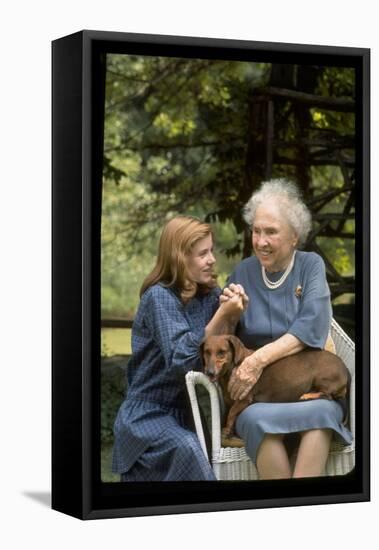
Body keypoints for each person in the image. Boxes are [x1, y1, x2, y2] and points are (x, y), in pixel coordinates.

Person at [222, 178, 352, 479]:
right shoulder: (243, 271)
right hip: (259, 398)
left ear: (294, 237)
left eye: (271, 232)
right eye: (256, 231)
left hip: (312, 390)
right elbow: (222, 337)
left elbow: (312, 325)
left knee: (321, 414)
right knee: (254, 419)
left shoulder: (310, 266)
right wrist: (226, 311)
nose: (260, 241)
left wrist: (256, 360)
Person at [112, 215, 245, 481]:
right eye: (202, 253)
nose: (212, 259)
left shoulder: (206, 294)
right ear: (180, 258)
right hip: (148, 415)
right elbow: (182, 359)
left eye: (212, 251)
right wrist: (221, 315)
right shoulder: (158, 298)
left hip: (185, 413)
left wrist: (233, 313)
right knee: (187, 449)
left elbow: (219, 351)